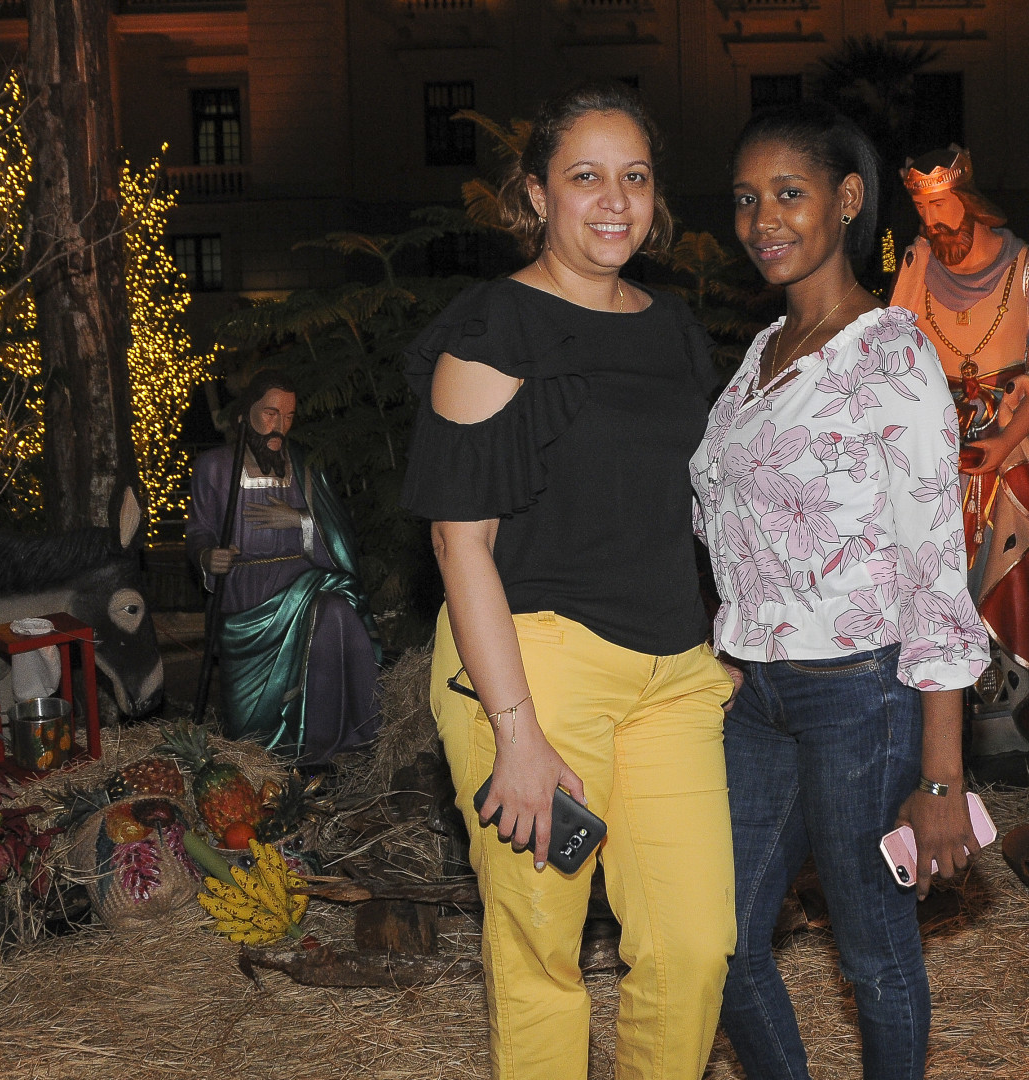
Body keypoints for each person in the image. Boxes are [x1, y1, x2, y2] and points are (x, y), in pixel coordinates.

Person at [400, 81, 735, 1080]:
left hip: (672, 675)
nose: (614, 200)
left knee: (693, 948)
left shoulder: (674, 329)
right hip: (532, 668)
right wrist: (516, 733)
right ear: (539, 195)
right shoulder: (496, 326)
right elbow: (458, 543)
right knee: (541, 960)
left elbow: (696, 504)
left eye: (635, 176)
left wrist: (726, 639)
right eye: (585, 176)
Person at [697, 102, 990, 1080]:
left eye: (789, 192)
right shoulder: (762, 354)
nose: (763, 219)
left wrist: (942, 779)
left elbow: (936, 566)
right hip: (756, 694)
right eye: (746, 198)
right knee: (723, 940)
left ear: (849, 199)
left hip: (861, 694)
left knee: (872, 952)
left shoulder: (890, 351)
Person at [889, 145, 1029, 782]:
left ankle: (1006, 729)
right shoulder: (917, 262)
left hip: (1013, 445)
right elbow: (891, 349)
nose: (932, 221)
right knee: (931, 577)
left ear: (969, 200)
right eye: (921, 208)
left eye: (941, 205)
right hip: (936, 446)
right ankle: (938, 729)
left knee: (1009, 572)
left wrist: (1003, 442)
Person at [186, 371, 382, 764]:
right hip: (245, 596)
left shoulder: (304, 467)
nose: (280, 426)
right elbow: (199, 530)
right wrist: (208, 556)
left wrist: (299, 520)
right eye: (270, 413)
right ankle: (261, 759)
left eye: (289, 416)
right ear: (245, 415)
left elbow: (338, 533)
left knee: (336, 614)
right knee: (247, 729)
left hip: (303, 582)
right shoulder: (215, 467)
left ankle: (329, 744)